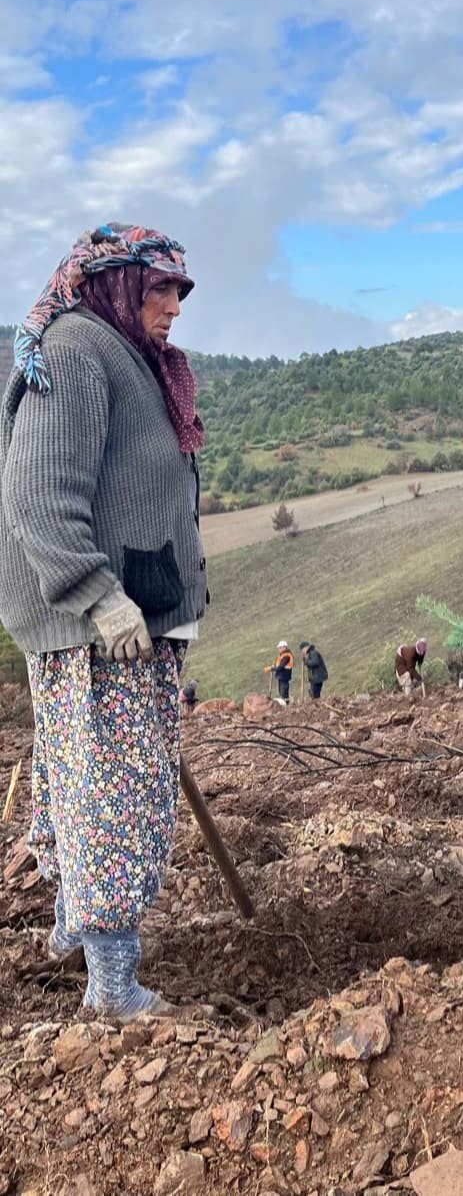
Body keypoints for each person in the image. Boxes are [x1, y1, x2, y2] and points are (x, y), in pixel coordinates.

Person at [0, 223, 206, 1019]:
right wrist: (98, 594)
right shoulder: (79, 349)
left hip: (121, 622)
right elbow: (39, 490)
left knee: (88, 783)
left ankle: (71, 925)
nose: (174, 307)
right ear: (115, 284)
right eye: (161, 289)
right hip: (98, 630)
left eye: (180, 291)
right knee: (113, 794)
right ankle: (112, 984)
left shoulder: (123, 355)